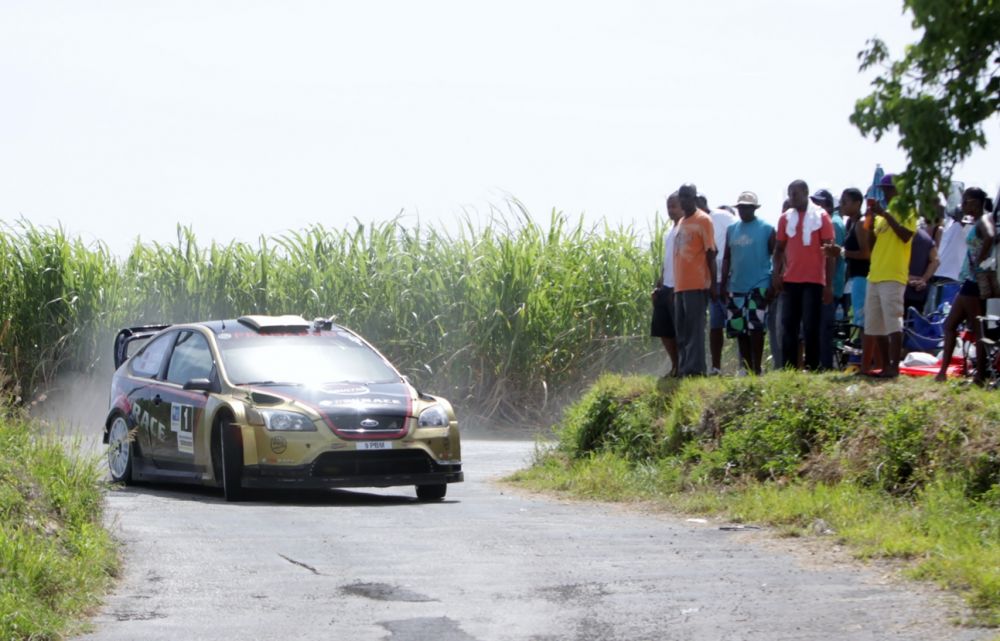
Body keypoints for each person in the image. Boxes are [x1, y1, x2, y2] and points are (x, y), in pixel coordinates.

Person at [935, 187, 996, 384]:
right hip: (970, 281)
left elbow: (990, 236)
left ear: (977, 202)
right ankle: (945, 372)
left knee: (974, 329)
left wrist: (980, 260)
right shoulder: (978, 221)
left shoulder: (985, 220)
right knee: (952, 325)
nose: (963, 205)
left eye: (966, 201)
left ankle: (978, 375)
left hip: (974, 281)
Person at [772, 180, 835, 370]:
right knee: (788, 327)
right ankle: (789, 368)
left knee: (810, 327)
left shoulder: (821, 217)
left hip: (813, 280)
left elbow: (830, 253)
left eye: (796, 193)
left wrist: (828, 284)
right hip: (790, 280)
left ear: (806, 193)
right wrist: (776, 273)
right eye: (790, 194)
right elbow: (779, 248)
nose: (792, 197)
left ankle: (812, 366)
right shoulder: (785, 218)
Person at [857, 173, 915, 378]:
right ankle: (885, 365)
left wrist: (886, 215)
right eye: (883, 189)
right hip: (875, 274)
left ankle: (894, 367)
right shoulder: (881, 215)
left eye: (888, 188)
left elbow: (906, 235)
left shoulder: (907, 210)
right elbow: (872, 247)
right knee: (875, 324)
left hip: (893, 274)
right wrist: (871, 223)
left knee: (893, 322)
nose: (885, 192)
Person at [720, 191, 775, 375]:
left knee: (756, 326)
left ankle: (757, 368)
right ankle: (745, 366)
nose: (743, 210)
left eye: (747, 207)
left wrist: (773, 283)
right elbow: (727, 258)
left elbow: (776, 256)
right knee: (739, 327)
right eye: (741, 207)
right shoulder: (732, 230)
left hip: (759, 283)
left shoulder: (766, 228)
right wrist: (723, 283)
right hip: (736, 285)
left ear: (754, 208)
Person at [673, 184, 717, 377]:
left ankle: (696, 369)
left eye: (688, 196)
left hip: (697, 283)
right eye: (681, 196)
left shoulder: (703, 220)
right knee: (682, 329)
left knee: (695, 329)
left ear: (694, 197)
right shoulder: (682, 221)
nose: (684, 200)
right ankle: (684, 368)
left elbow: (711, 253)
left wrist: (713, 283)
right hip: (680, 285)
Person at [700, 196, 737, 375]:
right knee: (715, 326)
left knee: (737, 323)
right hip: (713, 281)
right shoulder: (702, 222)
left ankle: (745, 366)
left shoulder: (722, 217)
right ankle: (716, 367)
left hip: (731, 279)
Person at [811, 188, 847, 369]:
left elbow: (832, 255)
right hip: (829, 284)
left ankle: (825, 366)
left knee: (825, 328)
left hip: (831, 284)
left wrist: (828, 285)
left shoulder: (833, 223)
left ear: (829, 205)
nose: (815, 206)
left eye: (819, 202)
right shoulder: (828, 222)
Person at [651, 193, 683, 376]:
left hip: (680, 287)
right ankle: (675, 365)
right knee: (663, 328)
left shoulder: (685, 229)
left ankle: (682, 367)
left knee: (679, 330)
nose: (671, 210)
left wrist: (677, 285)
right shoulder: (670, 232)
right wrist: (660, 285)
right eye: (668, 207)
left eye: (674, 206)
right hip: (667, 286)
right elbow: (667, 261)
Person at [840, 188, 871, 367]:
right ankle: (862, 359)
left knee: (863, 321)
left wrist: (843, 252)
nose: (842, 205)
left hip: (862, 277)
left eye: (846, 202)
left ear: (858, 203)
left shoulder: (860, 224)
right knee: (858, 320)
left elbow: (866, 254)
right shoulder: (849, 224)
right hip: (854, 278)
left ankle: (865, 361)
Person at [903, 224, 939, 316]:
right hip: (918, 293)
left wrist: (905, 277)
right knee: (912, 326)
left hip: (900, 290)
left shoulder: (900, 236)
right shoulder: (926, 238)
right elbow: (935, 261)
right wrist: (923, 279)